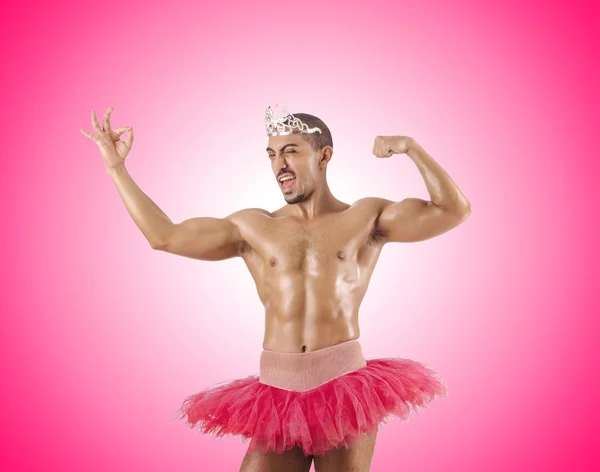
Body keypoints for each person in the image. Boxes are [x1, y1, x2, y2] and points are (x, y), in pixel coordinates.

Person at [80, 105, 472, 472]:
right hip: (277, 390)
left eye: (289, 151)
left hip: (343, 385)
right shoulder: (252, 226)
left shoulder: (366, 216)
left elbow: (453, 210)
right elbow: (163, 236)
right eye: (270, 155)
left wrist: (411, 148)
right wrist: (116, 168)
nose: (278, 164)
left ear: (323, 156)